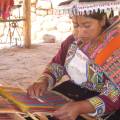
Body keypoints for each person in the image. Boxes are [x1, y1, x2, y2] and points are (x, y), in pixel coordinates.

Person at [27, 0, 120, 120]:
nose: (80, 32)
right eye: (76, 25)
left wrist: (81, 107)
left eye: (87, 25)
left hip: (106, 102)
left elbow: (116, 94)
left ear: (102, 20)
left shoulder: (115, 46)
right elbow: (57, 65)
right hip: (75, 91)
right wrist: (43, 81)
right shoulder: (72, 42)